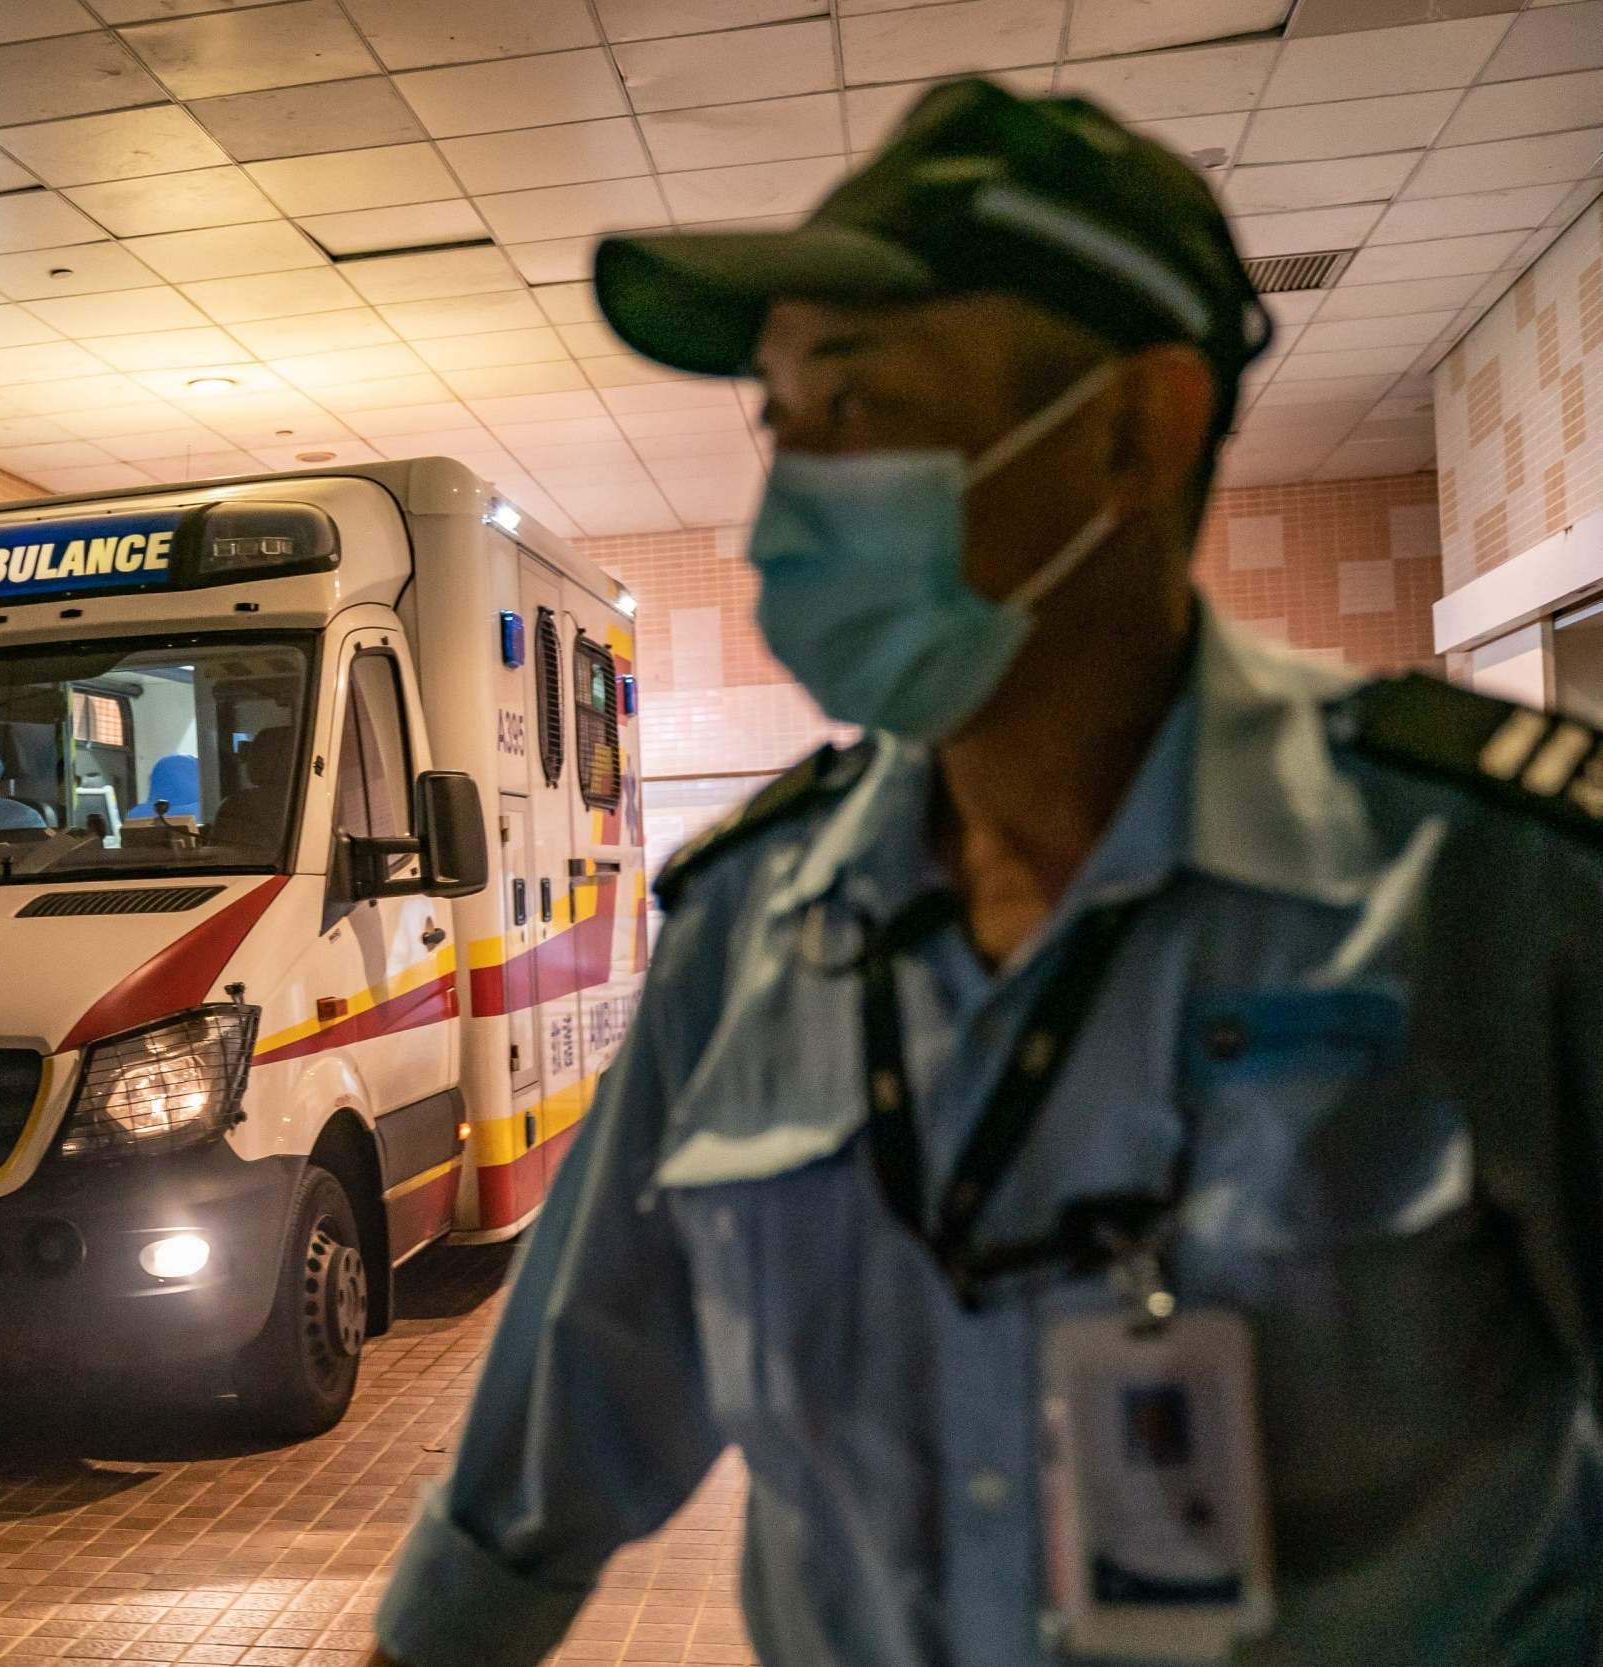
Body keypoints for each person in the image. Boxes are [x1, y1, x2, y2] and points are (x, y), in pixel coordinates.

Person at [368, 77, 1603, 1667]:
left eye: (861, 409)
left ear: (1127, 430)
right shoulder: (751, 928)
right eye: (783, 424)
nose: (786, 507)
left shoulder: (1490, 891)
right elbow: (561, 1420)